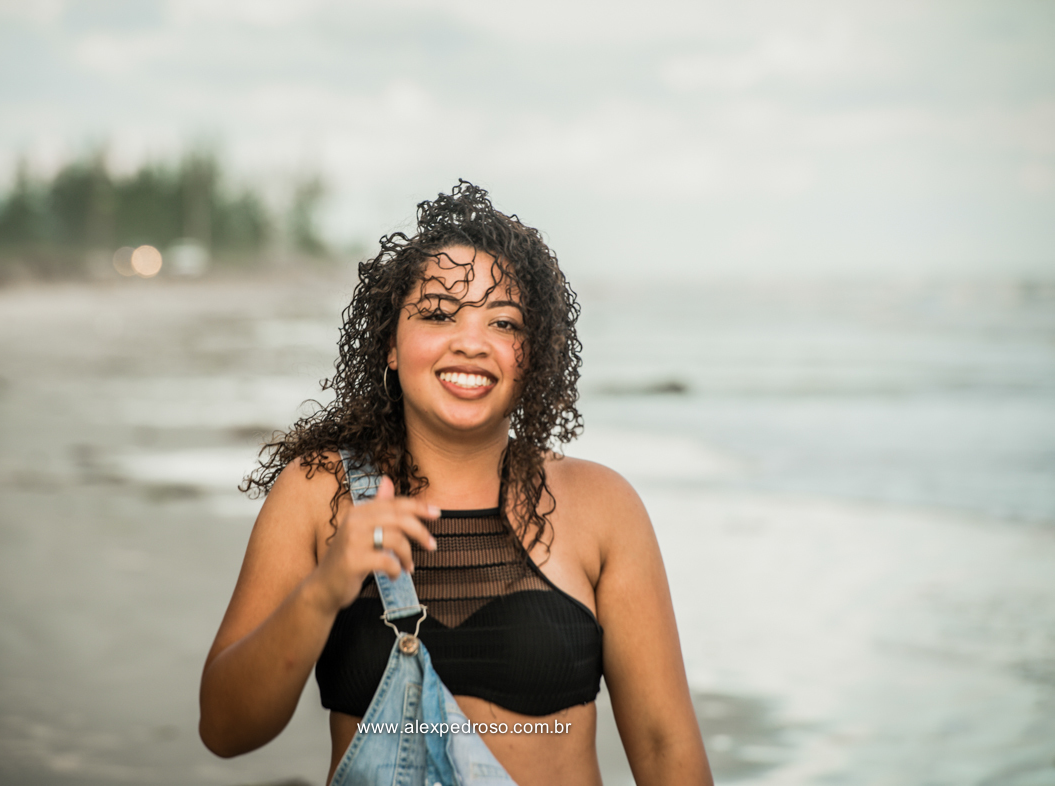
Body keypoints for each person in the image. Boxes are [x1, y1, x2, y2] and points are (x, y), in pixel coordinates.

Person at [199, 181, 712, 785]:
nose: (471, 343)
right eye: (439, 314)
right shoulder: (319, 493)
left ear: (532, 356)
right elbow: (225, 729)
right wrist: (323, 590)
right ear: (391, 344)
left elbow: (664, 747)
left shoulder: (602, 507)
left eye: (504, 322)